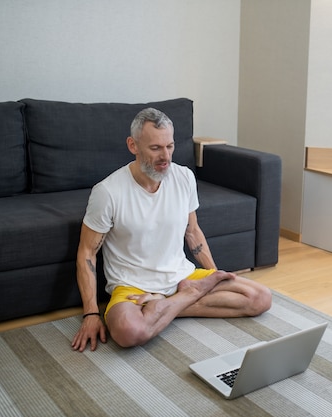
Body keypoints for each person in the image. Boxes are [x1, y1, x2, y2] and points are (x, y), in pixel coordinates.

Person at [71, 108, 272, 352]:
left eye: (170, 146)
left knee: (260, 298)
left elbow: (193, 232)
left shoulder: (184, 177)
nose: (165, 156)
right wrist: (91, 313)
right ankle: (183, 298)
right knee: (128, 331)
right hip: (133, 286)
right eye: (155, 148)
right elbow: (87, 253)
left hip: (182, 276)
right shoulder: (107, 192)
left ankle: (163, 305)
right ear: (133, 145)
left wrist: (212, 275)